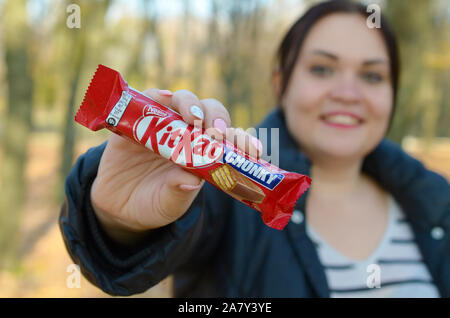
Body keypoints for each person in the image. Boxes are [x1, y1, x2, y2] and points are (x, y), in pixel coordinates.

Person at [59, 0, 450, 297]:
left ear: (393, 94)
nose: (348, 93)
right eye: (322, 69)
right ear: (280, 83)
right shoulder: (226, 193)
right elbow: (138, 256)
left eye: (372, 75)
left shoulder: (436, 203)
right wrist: (115, 221)